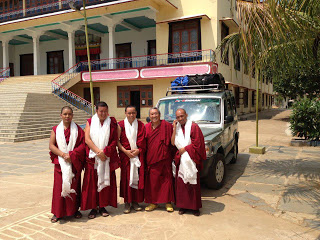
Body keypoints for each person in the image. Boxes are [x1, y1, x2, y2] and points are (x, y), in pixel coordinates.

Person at [81, 101, 120, 219]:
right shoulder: (90, 122)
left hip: (106, 157)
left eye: (105, 111)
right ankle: (93, 207)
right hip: (94, 158)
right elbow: (87, 139)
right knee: (92, 184)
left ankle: (103, 206)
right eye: (100, 111)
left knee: (106, 182)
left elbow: (115, 139)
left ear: (107, 112)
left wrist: (105, 152)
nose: (103, 114)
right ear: (96, 111)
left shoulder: (112, 122)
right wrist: (98, 152)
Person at [49, 106, 85, 223]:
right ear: (61, 115)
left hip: (73, 162)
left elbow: (82, 146)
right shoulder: (56, 129)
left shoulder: (78, 130)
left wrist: (72, 155)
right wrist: (64, 155)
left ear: (72, 115)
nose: (67, 116)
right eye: (65, 114)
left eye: (69, 114)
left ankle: (74, 210)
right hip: (61, 162)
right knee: (59, 188)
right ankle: (58, 212)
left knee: (74, 187)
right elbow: (51, 145)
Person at [171, 108, 206, 216]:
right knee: (182, 184)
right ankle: (183, 206)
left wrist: (185, 149)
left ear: (186, 115)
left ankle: (195, 207)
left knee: (192, 183)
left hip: (191, 159)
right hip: (181, 160)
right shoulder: (176, 128)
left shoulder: (194, 126)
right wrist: (173, 129)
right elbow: (172, 143)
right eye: (178, 117)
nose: (180, 119)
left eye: (182, 116)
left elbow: (198, 143)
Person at [144, 107, 175, 212]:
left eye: (156, 114)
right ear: (149, 116)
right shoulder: (146, 127)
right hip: (152, 158)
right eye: (152, 114)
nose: (154, 116)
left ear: (160, 115)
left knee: (166, 181)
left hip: (164, 158)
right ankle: (153, 202)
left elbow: (172, 141)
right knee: (153, 182)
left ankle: (168, 202)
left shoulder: (167, 126)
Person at [117, 105, 146, 213]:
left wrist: (138, 150)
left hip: (137, 155)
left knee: (136, 178)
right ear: (125, 113)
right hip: (126, 156)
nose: (131, 115)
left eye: (133, 113)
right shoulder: (120, 125)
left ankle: (135, 201)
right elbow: (117, 141)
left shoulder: (140, 125)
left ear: (136, 113)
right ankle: (127, 203)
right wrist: (125, 151)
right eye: (129, 113)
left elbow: (143, 140)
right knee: (126, 179)